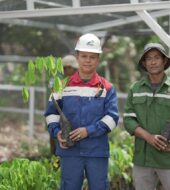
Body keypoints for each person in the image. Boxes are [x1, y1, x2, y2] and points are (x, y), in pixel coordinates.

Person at [44, 33, 119, 190]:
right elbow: (51, 114)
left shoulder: (107, 88)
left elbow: (112, 118)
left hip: (97, 152)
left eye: (92, 57)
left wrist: (89, 131)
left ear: (98, 59)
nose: (88, 60)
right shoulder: (61, 86)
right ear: (77, 57)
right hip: (70, 151)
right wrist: (56, 132)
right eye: (84, 56)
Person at [123, 43, 170, 190]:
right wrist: (148, 137)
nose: (152, 62)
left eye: (157, 57)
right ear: (144, 63)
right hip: (143, 157)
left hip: (169, 156)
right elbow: (128, 119)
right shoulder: (136, 89)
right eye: (148, 58)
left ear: (164, 61)